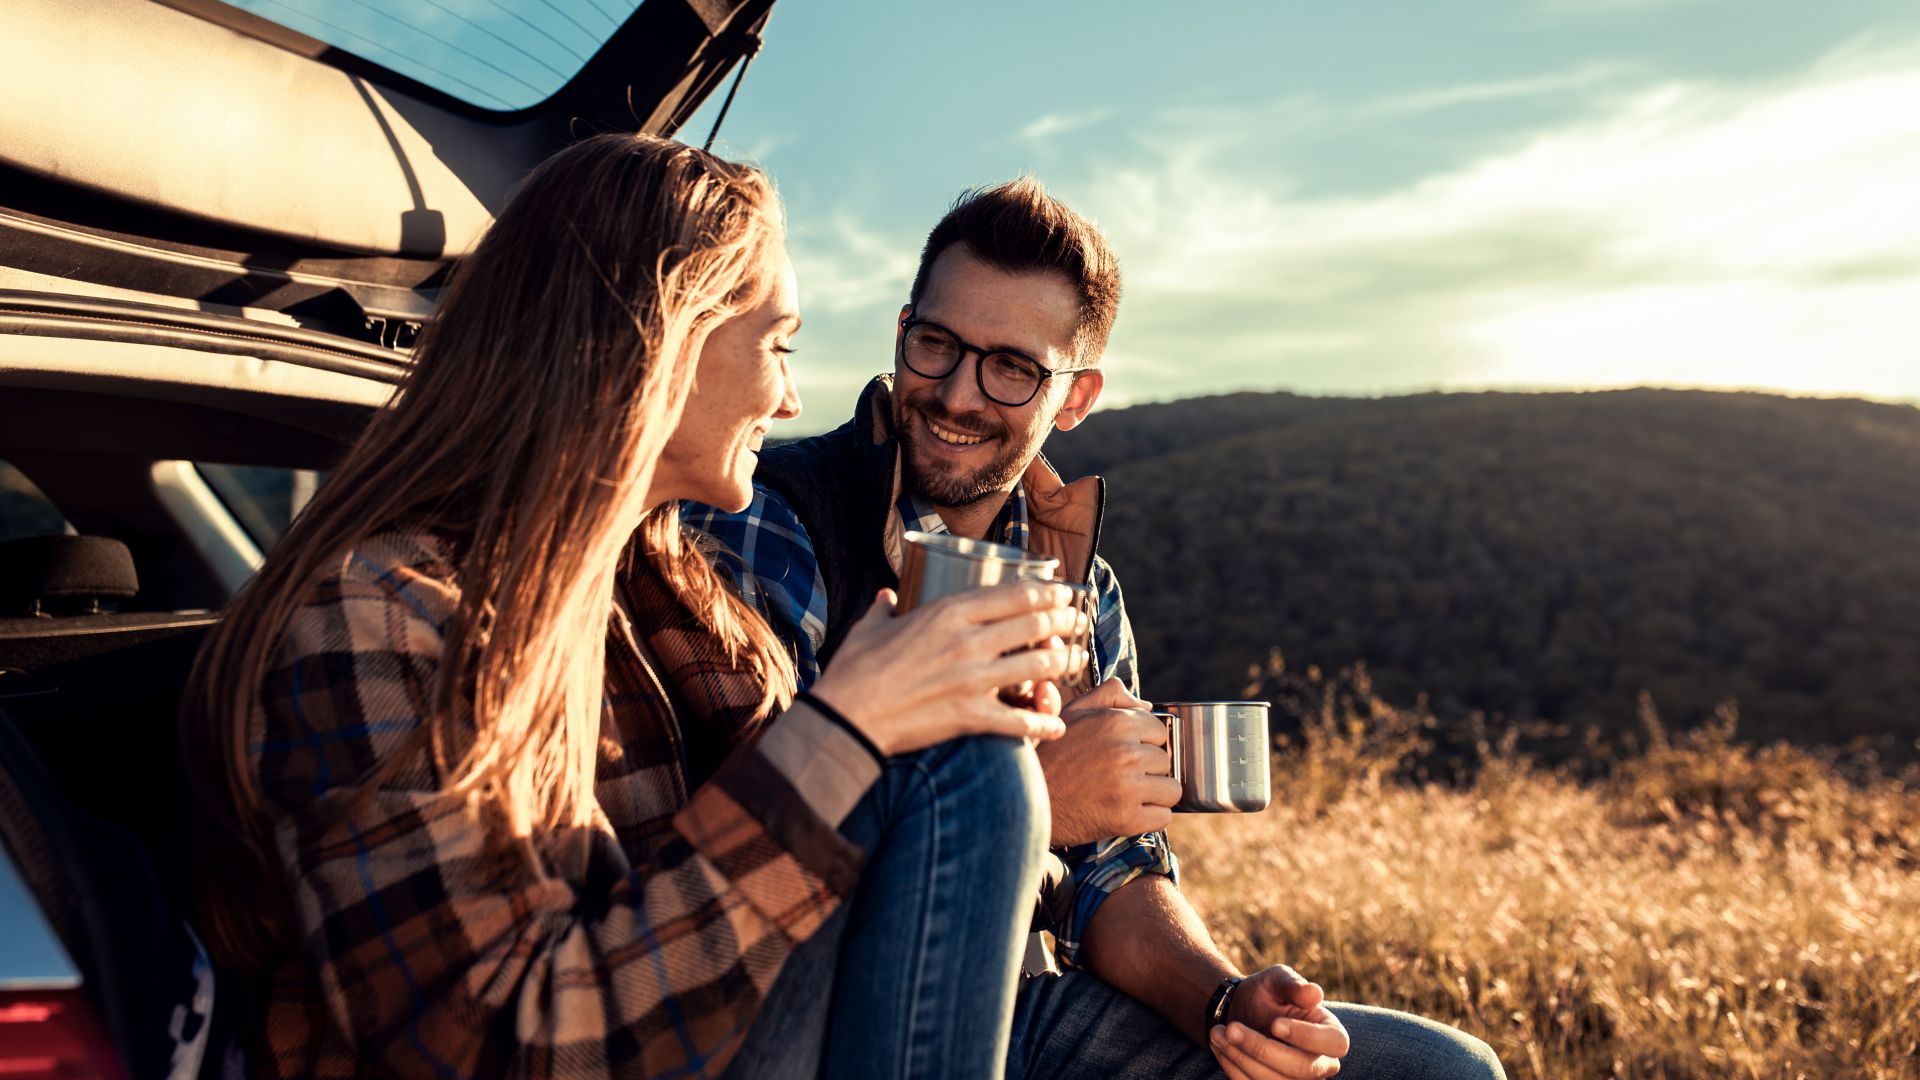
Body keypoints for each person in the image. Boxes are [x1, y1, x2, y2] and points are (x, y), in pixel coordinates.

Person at [179, 134, 1088, 1080]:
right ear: (660, 347)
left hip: (692, 1029)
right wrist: (851, 724)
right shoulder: (378, 615)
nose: (789, 399)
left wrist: (925, 713)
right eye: (778, 346)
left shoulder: (656, 584)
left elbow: (824, 825)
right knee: (970, 779)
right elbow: (494, 1050)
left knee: (971, 769)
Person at [686, 178, 1507, 1080]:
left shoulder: (1083, 583)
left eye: (1012, 368)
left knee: (1444, 1069)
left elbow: (1115, 868)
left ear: (1075, 399)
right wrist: (1036, 799)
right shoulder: (771, 520)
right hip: (824, 1024)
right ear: (901, 332)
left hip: (1023, 1010)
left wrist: (1224, 1003)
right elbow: (737, 880)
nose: (958, 394)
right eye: (936, 345)